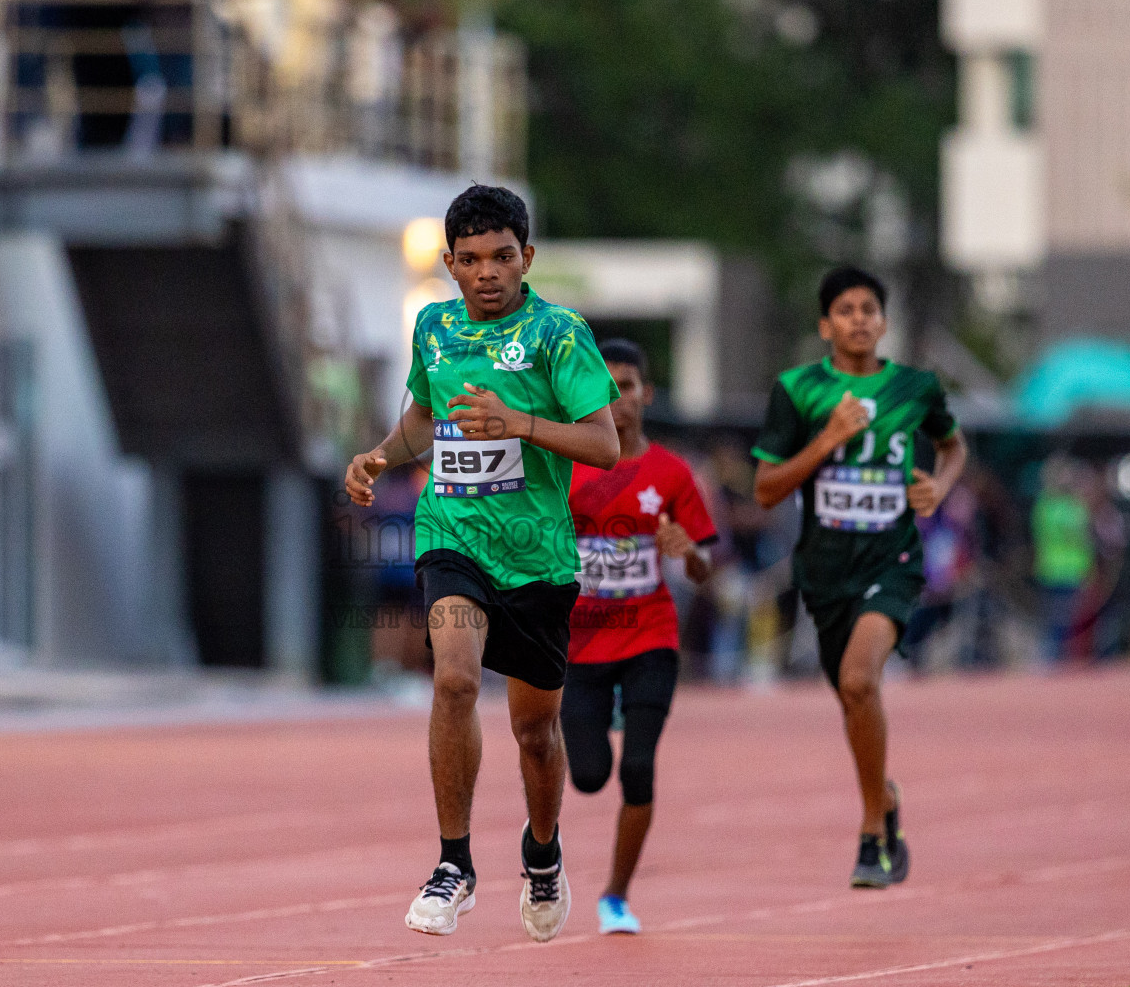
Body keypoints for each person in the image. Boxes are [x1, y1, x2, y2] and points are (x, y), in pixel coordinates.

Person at [344, 185, 619, 940]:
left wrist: (521, 424)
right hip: (452, 535)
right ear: (450, 264)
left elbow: (604, 444)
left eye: (501, 257)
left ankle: (543, 853)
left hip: (537, 558)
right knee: (456, 678)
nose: (486, 272)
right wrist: (377, 455)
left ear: (526, 257)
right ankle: (454, 864)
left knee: (536, 731)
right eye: (470, 260)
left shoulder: (559, 334)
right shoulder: (433, 327)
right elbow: (423, 423)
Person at [752, 265, 967, 889]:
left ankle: (873, 830)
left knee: (859, 679)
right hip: (823, 571)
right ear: (826, 325)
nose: (859, 319)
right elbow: (766, 488)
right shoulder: (797, 391)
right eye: (845, 310)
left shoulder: (916, 388)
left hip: (892, 562)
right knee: (852, 697)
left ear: (884, 321)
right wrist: (828, 440)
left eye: (869, 309)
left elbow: (954, 447)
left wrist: (940, 486)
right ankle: (886, 796)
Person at [561, 339, 716, 935]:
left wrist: (689, 556)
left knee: (640, 768)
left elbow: (704, 567)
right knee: (590, 775)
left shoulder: (673, 474)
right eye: (604, 387)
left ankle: (616, 896)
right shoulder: (567, 469)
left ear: (645, 395)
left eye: (626, 386)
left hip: (651, 636)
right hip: (581, 644)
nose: (616, 399)